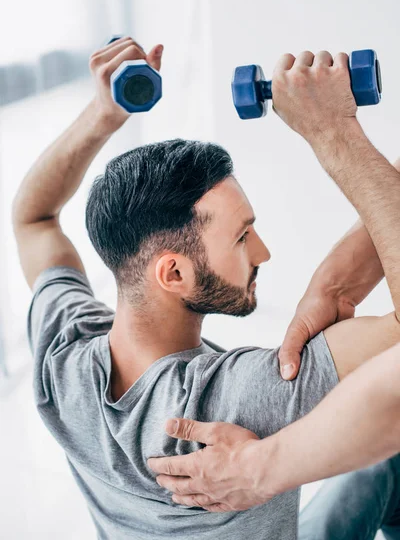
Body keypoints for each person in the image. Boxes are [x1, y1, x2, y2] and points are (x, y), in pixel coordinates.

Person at [12, 36, 400, 540]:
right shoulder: (242, 398)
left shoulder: (63, 358)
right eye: (241, 237)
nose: (262, 253)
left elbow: (34, 218)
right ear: (173, 274)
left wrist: (104, 112)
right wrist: (334, 134)